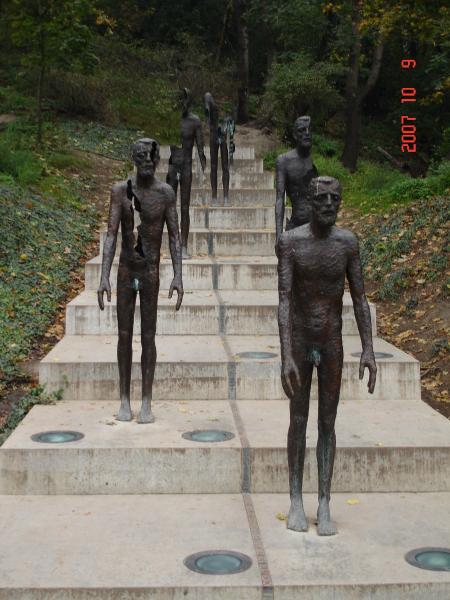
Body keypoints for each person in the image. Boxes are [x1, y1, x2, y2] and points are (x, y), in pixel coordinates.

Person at [277, 176, 377, 535]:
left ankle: (324, 500)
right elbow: (285, 300)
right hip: (302, 340)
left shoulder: (347, 243)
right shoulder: (291, 243)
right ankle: (294, 499)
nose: (330, 205)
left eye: (335, 198)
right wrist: (286, 354)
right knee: (299, 419)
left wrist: (368, 348)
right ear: (309, 200)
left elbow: (360, 299)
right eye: (323, 198)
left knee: (328, 424)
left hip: (332, 341)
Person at [98, 138, 184, 424]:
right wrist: (103, 275)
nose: (148, 160)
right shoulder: (120, 191)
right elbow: (111, 234)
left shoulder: (165, 193)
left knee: (149, 336)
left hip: (150, 271)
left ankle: (146, 400)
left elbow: (174, 234)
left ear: (158, 159)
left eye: (152, 156)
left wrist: (178, 275)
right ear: (134, 158)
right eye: (142, 156)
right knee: (124, 335)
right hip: (126, 270)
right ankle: (124, 399)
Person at [275, 116, 318, 247]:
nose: (307, 133)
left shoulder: (314, 164)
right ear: (295, 135)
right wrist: (278, 235)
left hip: (317, 229)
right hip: (296, 226)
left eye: (309, 129)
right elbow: (280, 198)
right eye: (302, 130)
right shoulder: (284, 161)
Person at [177, 88, 206, 258]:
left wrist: (203, 161)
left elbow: (200, 146)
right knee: (169, 206)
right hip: (174, 166)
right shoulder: (170, 120)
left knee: (184, 206)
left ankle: (183, 245)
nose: (182, 103)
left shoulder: (194, 121)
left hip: (186, 166)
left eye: (184, 100)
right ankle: (174, 243)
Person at [204, 92, 230, 204]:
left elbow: (228, 122)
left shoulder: (219, 108)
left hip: (222, 135)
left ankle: (226, 196)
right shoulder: (209, 109)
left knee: (225, 166)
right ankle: (214, 196)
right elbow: (208, 121)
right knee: (213, 166)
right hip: (213, 134)